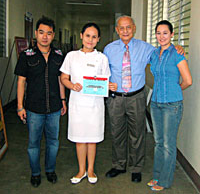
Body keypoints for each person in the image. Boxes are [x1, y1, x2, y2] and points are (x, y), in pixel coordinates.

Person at [104, 15, 184, 183]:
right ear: (117, 30)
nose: (125, 31)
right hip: (116, 99)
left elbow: (164, 51)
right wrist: (107, 83)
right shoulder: (109, 49)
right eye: (121, 28)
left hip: (136, 97)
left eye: (128, 27)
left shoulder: (147, 48)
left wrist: (178, 47)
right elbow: (102, 72)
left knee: (137, 134)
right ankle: (119, 165)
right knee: (117, 133)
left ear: (133, 28)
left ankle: (136, 168)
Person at [14, 16, 67, 188]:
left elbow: (61, 79)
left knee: (53, 142)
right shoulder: (26, 55)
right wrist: (20, 106)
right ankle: (35, 173)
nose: (45, 37)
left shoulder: (59, 55)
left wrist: (63, 100)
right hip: (33, 109)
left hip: (54, 108)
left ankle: (50, 170)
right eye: (41, 32)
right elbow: (21, 82)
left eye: (49, 33)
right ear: (36, 33)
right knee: (33, 144)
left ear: (53, 36)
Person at [60, 23, 110, 184]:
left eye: (94, 36)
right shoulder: (71, 56)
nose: (90, 39)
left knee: (92, 138)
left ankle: (90, 170)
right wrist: (71, 85)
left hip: (95, 105)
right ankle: (81, 170)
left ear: (98, 39)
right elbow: (63, 78)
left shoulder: (102, 58)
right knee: (80, 138)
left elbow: (105, 81)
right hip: (77, 103)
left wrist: (109, 86)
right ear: (81, 36)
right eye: (87, 35)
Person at [147, 20, 192, 191]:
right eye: (158, 33)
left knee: (168, 144)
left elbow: (188, 81)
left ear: (172, 34)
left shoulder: (177, 54)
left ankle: (165, 181)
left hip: (172, 105)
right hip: (156, 102)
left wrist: (174, 90)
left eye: (165, 33)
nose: (161, 36)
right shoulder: (154, 53)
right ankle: (157, 176)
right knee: (158, 142)